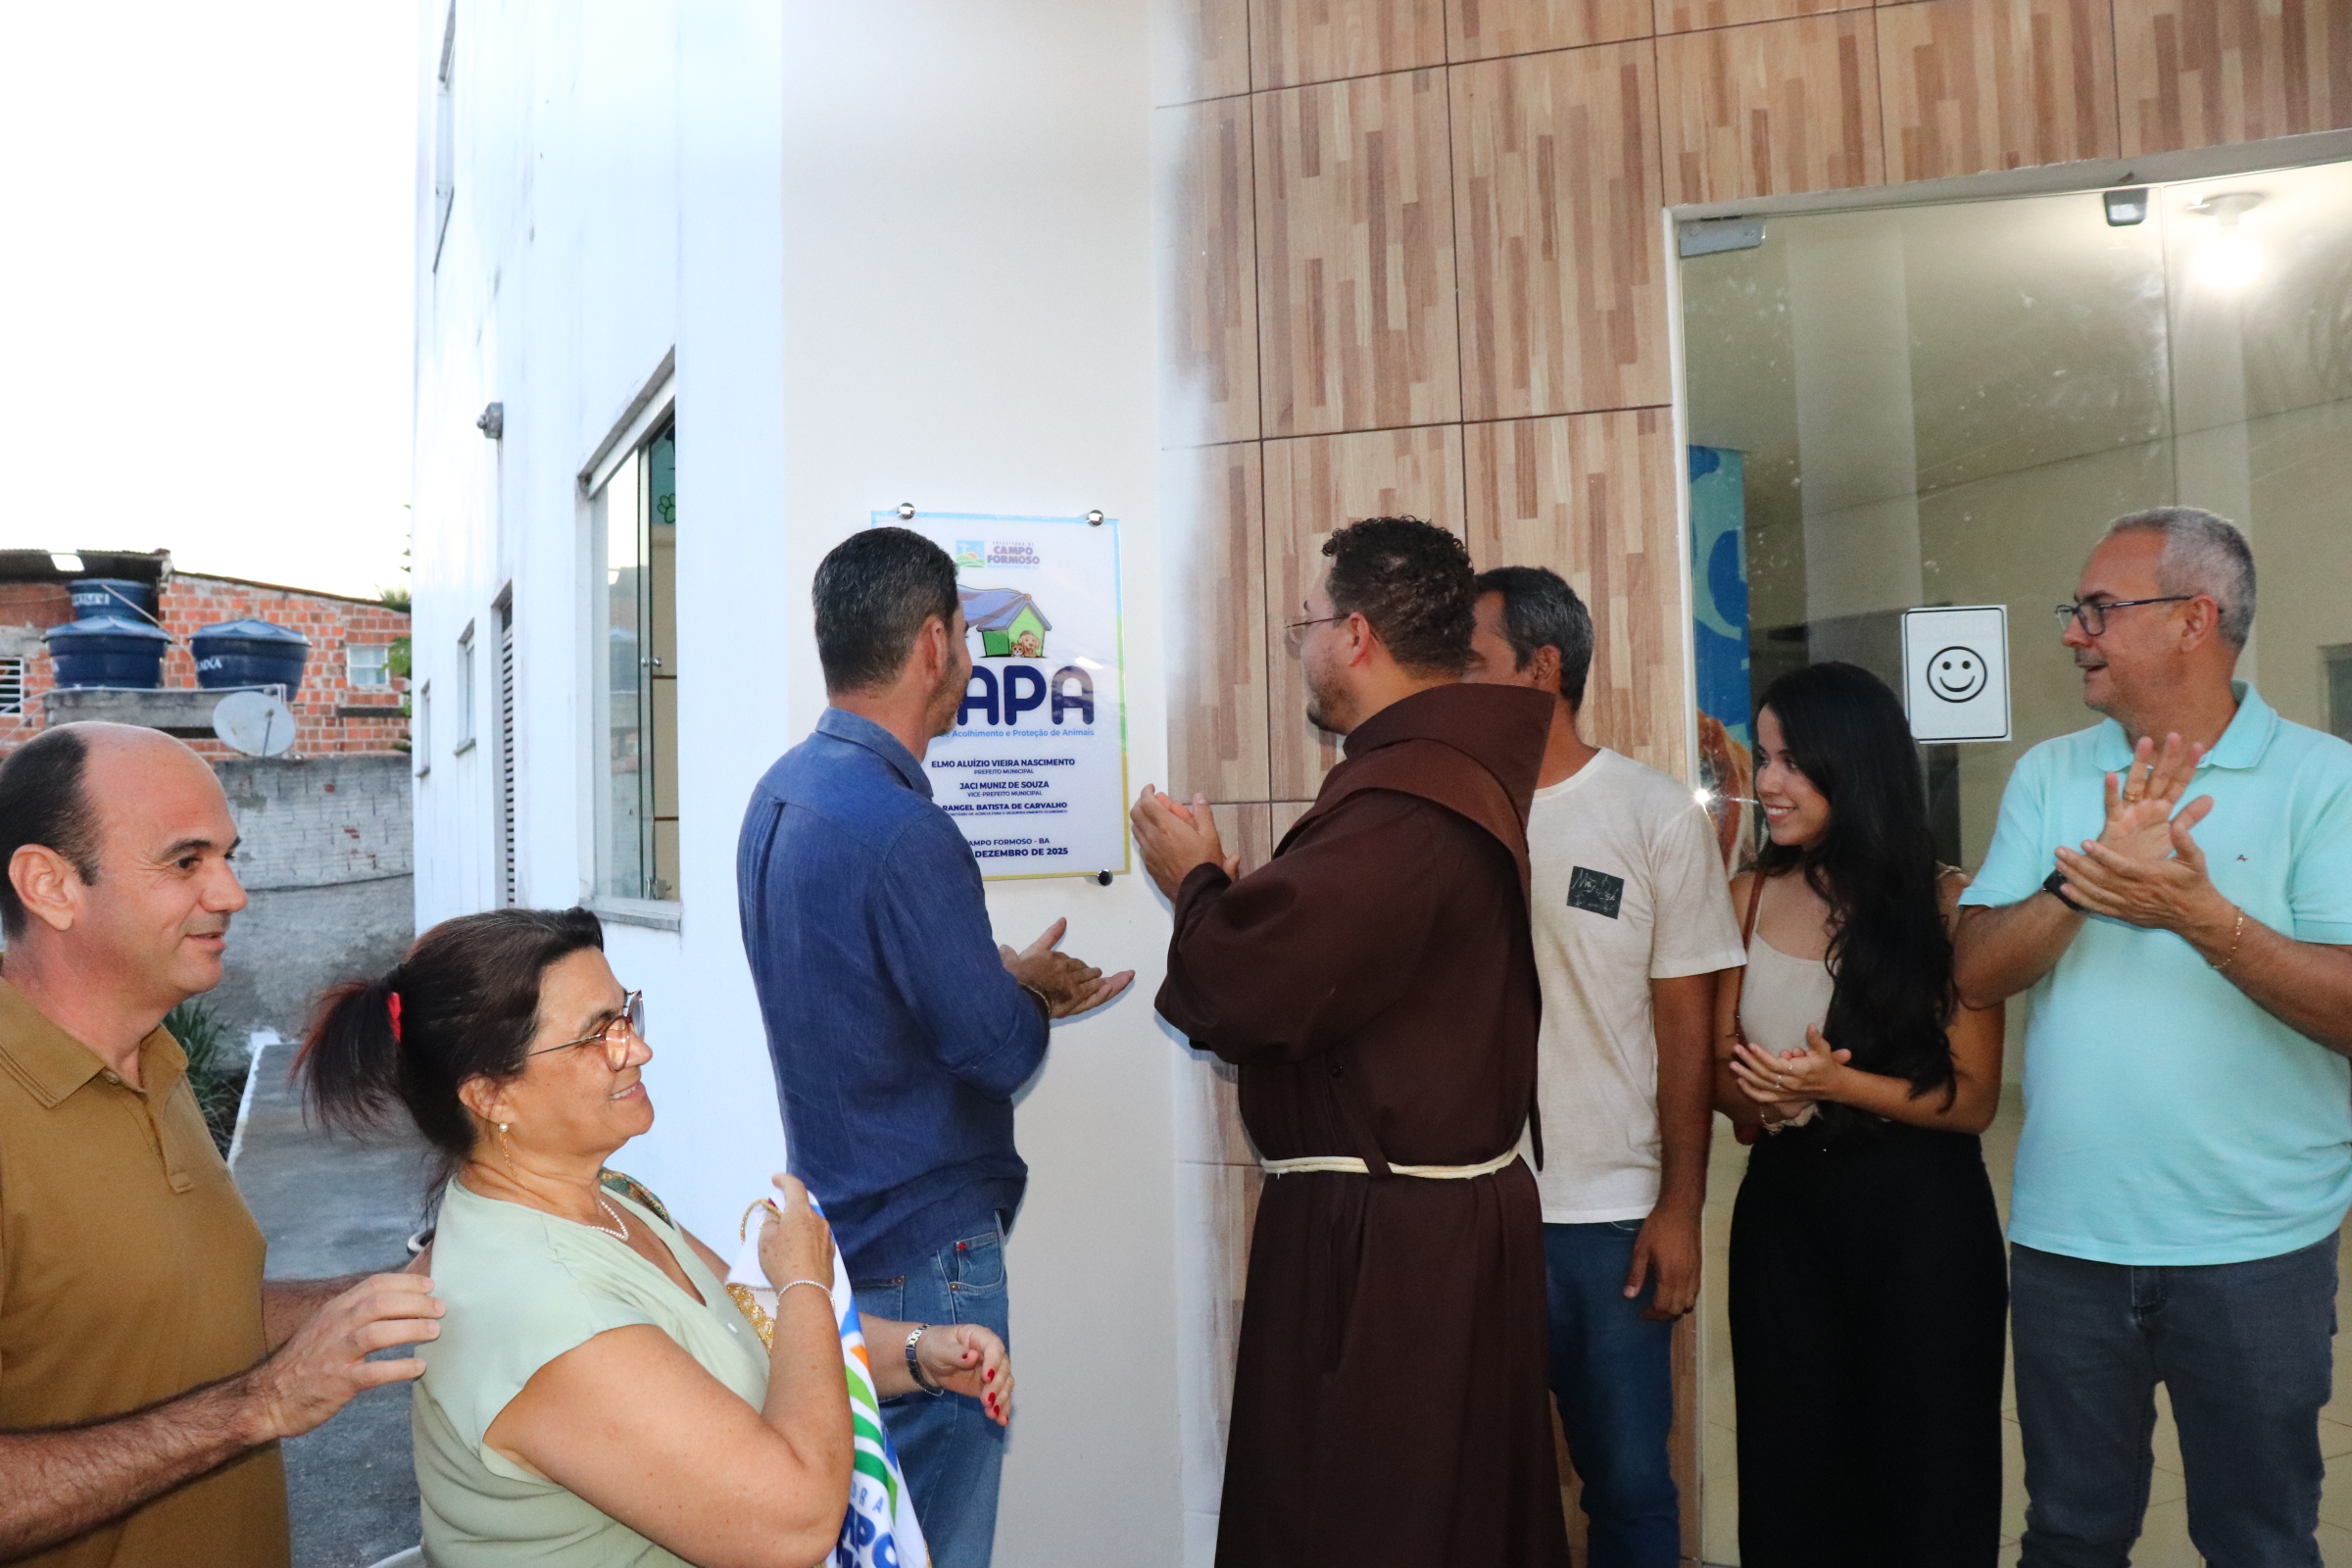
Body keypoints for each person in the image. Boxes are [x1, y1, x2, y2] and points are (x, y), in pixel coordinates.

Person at [298, 906, 1015, 1567]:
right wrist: (804, 1279)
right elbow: (794, 1525)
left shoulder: (603, 1196)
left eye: (626, 1012)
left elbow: (751, 1327)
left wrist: (916, 1354)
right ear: (491, 1095)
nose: (636, 1048)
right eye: (596, 1034)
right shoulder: (546, 1310)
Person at [1132, 516, 1569, 1568]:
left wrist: (1195, 881)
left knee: (1364, 1513)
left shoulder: (1406, 804)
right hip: (1414, 1221)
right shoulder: (1432, 778)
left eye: (1308, 625)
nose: (1304, 647)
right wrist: (1245, 906)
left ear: (1358, 634)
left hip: (1390, 1249)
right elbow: (1335, 970)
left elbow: (1241, 990)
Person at [1953, 509, 2352, 1568]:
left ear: (2193, 619)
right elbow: (1976, 970)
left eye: (2098, 610)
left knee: (2259, 1542)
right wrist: (2084, 881)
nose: (2074, 633)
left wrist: (2199, 916)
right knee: (2070, 1536)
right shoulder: (2049, 774)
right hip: (2068, 1243)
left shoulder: (2325, 781)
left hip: (2257, 1249)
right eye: (2076, 611)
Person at [737, 526, 1130, 1566]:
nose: (969, 657)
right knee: (934, 1547)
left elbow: (858, 994)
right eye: (963, 632)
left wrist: (986, 974)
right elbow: (997, 1052)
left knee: (873, 1540)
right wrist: (1030, 992)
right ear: (932, 644)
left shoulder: (780, 792)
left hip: (844, 1241)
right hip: (929, 1263)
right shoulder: (904, 829)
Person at [0, 722, 445, 1568]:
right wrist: (257, 1407)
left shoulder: (155, 1062)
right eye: (186, 861)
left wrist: (397, 1290)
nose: (232, 893)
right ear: (50, 885)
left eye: (228, 857)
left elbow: (173, 1318)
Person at [1463, 566, 1743, 1567]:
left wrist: (1680, 1207)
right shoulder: (1449, 808)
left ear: (1542, 667)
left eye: (1472, 660)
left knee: (1627, 1485)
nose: (1452, 681)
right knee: (1478, 1490)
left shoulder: (1651, 813)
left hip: (1609, 1221)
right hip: (1471, 1209)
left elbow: (1687, 1030)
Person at [1714, 662, 2008, 1568]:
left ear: (1855, 763)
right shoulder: (1746, 897)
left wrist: (1837, 1088)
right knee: (1793, 1472)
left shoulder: (1948, 904)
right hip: (1786, 1221)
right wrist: (1760, 1097)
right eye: (1764, 760)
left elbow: (1972, 1099)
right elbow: (1723, 1082)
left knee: (1929, 1474)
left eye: (1792, 762)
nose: (1769, 784)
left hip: (1923, 1229)